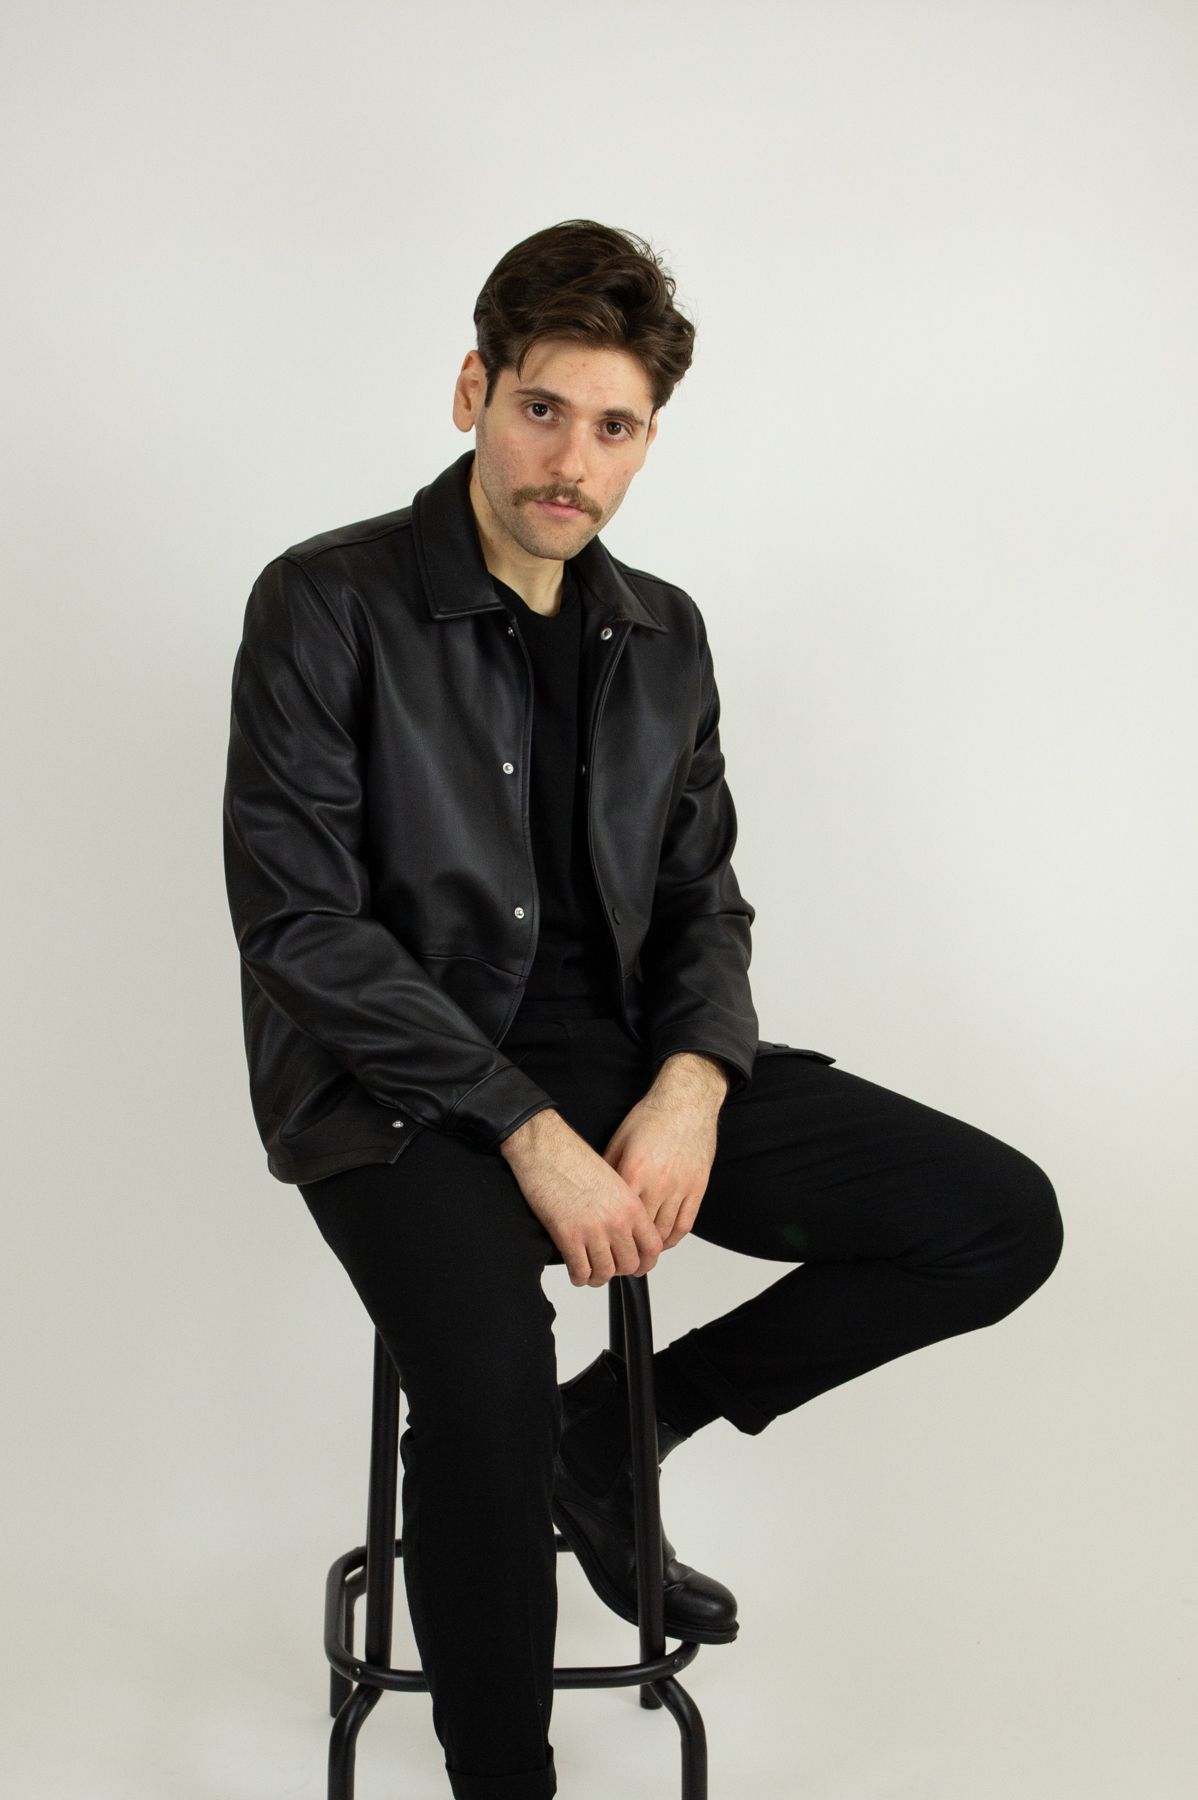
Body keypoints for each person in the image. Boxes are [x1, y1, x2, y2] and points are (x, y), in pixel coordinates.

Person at [222, 218, 1063, 1800]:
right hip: (394, 1091)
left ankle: (612, 1437)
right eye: (542, 409)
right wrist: (524, 1128)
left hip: (620, 1059)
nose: (573, 462)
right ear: (473, 391)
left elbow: (699, 901)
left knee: (992, 1218)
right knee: (480, 1395)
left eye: (613, 427)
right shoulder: (328, 602)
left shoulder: (662, 633)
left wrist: (690, 1081)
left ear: (648, 440)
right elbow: (300, 927)